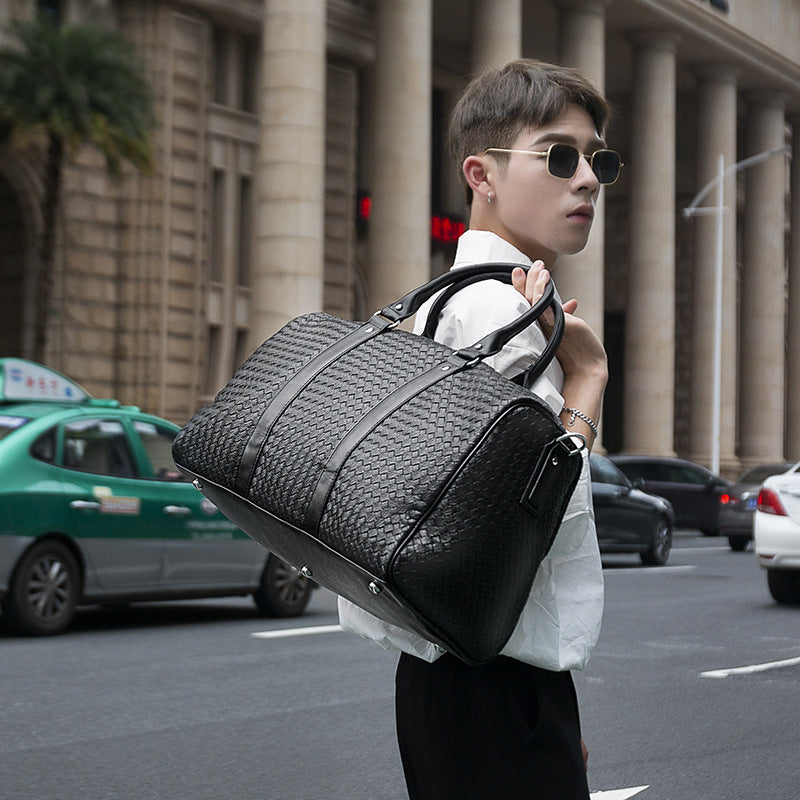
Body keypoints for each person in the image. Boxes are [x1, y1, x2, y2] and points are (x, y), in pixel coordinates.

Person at [339, 58, 619, 799]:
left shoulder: (446, 302)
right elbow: (518, 523)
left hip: (458, 673)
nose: (587, 179)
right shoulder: (499, 313)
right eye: (558, 156)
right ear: (481, 174)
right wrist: (588, 378)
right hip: (490, 678)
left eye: (598, 160)